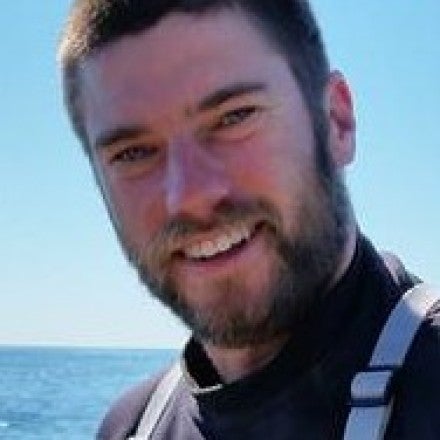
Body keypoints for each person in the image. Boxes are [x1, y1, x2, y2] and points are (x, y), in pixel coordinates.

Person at [58, 0, 440, 438]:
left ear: (336, 122)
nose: (189, 197)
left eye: (233, 117)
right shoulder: (132, 426)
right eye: (133, 153)